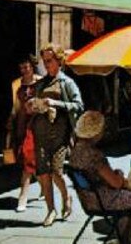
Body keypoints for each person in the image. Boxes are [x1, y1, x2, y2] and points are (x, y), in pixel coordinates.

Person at [69, 111, 131, 244]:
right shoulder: (94, 155)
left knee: (130, 200)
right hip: (104, 200)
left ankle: (125, 239)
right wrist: (120, 175)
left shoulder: (75, 153)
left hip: (88, 199)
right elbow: (116, 183)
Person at [29, 44, 83, 226]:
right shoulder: (41, 83)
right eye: (44, 61)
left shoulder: (66, 82)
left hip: (60, 134)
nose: (46, 64)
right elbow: (34, 105)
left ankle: (66, 197)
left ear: (59, 61)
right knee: (43, 173)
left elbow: (78, 105)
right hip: (40, 133)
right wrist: (33, 105)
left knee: (56, 172)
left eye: (49, 60)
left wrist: (56, 103)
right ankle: (50, 210)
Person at [6, 55, 42, 212]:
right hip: (21, 122)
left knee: (28, 156)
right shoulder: (16, 84)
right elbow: (16, 105)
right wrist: (11, 119)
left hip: (35, 123)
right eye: (22, 68)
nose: (25, 70)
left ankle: (23, 197)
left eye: (27, 67)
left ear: (32, 66)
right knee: (28, 158)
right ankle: (44, 185)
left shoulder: (41, 81)